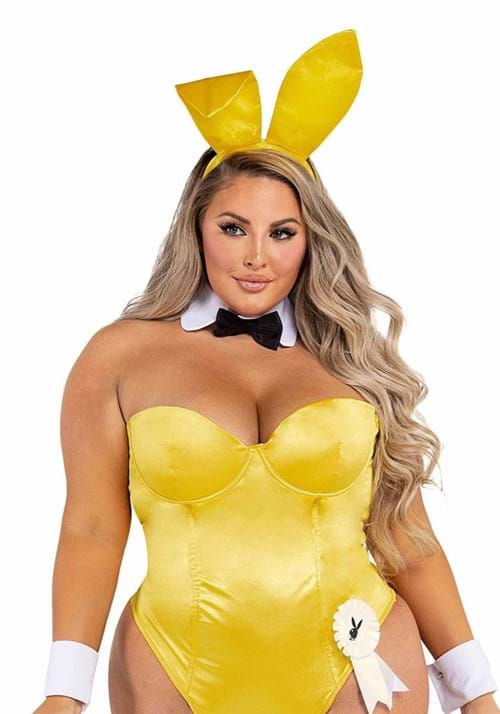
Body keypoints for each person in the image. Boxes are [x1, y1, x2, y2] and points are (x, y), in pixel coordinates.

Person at [35, 29, 498, 714]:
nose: (257, 257)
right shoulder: (120, 356)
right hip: (171, 666)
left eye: (282, 232)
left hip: (358, 665)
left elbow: (407, 539)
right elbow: (92, 529)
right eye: (233, 228)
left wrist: (478, 692)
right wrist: (62, 693)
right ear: (196, 227)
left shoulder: (351, 357)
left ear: (311, 240)